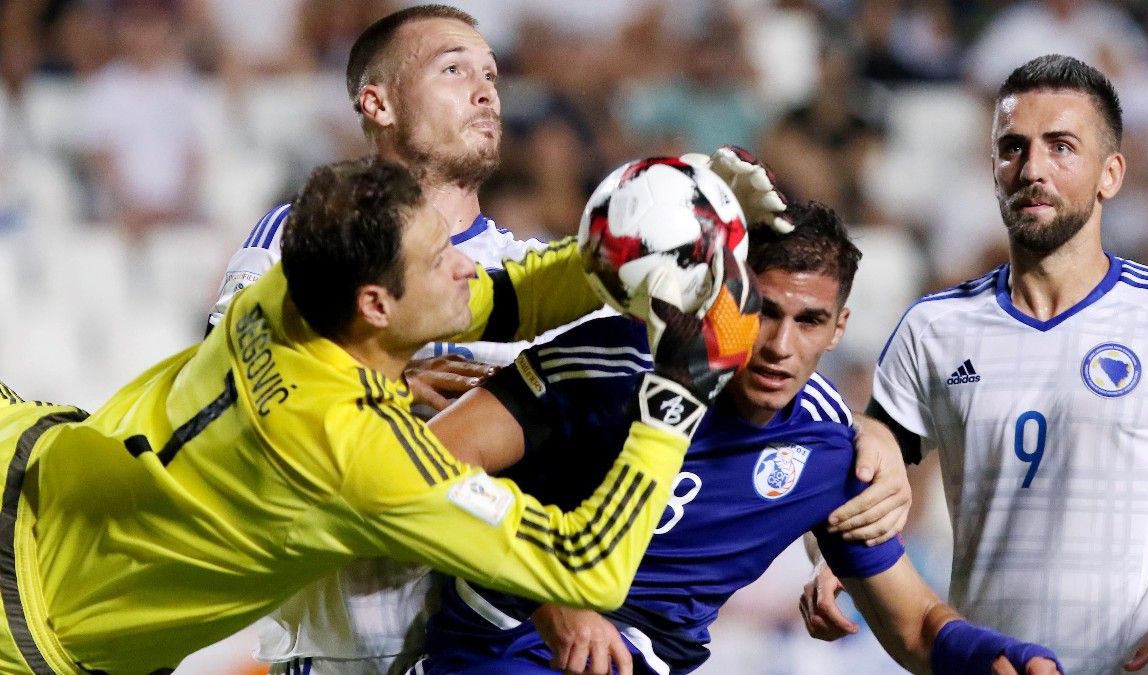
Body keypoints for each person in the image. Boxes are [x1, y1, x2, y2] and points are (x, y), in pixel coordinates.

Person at [209, 5, 913, 673]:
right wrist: (379, 390)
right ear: (378, 103)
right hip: (344, 646)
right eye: (454, 70)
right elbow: (229, 402)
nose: (486, 91)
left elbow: (698, 415)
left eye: (491, 73)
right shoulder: (303, 242)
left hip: (499, 643)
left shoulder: (554, 279)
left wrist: (863, 439)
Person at [0, 156, 762, 674]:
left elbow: (506, 296)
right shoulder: (361, 456)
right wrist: (676, 402)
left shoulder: (295, 284)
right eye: (441, 259)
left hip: (21, 451)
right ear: (376, 304)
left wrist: (661, 233)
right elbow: (580, 565)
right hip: (29, 618)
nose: (466, 261)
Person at [405, 201, 1062, 675]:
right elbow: (424, 470)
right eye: (764, 312)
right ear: (724, 300)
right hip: (504, 646)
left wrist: (992, 653)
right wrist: (552, 596)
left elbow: (915, 623)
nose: (779, 346)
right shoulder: (611, 365)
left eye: (810, 321)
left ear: (839, 329)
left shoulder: (831, 449)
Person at [801, 54, 1148, 674]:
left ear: (1110, 174)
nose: (1032, 169)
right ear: (992, 168)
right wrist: (846, 553)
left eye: (1061, 146)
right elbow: (873, 462)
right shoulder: (935, 330)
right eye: (1013, 148)